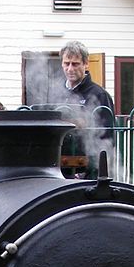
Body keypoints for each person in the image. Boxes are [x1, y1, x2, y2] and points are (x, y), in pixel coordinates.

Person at [52, 41, 115, 178]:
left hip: (86, 171)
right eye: (66, 63)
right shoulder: (55, 94)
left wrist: (91, 170)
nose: (70, 69)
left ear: (86, 64)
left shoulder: (99, 95)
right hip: (58, 169)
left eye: (75, 64)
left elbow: (107, 139)